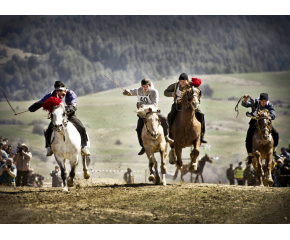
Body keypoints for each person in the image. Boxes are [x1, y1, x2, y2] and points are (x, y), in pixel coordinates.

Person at [28, 81, 90, 156]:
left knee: (81, 127)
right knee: (48, 130)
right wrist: (32, 108)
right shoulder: (51, 94)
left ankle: (84, 146)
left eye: (60, 90)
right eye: (57, 90)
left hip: (69, 115)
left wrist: (65, 112)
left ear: (64, 89)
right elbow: (41, 102)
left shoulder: (70, 94)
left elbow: (73, 106)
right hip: (57, 117)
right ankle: (49, 147)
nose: (59, 92)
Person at [123, 78, 174, 155]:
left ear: (149, 85)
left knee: (163, 119)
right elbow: (129, 92)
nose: (145, 88)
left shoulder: (154, 92)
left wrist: (142, 105)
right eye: (143, 86)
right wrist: (126, 92)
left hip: (153, 113)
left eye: (146, 86)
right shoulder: (138, 90)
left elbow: (154, 104)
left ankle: (166, 136)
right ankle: (143, 146)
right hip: (143, 114)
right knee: (138, 129)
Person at [164, 73, 207, 143]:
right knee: (171, 115)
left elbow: (199, 92)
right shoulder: (175, 85)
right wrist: (171, 94)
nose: (182, 83)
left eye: (183, 81)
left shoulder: (191, 85)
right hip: (177, 104)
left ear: (187, 81)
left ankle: (201, 135)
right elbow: (165, 92)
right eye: (180, 81)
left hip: (190, 105)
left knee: (201, 114)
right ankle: (171, 135)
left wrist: (196, 99)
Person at [242, 93, 279, 164]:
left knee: (276, 133)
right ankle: (250, 154)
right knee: (248, 137)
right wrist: (245, 100)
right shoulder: (255, 102)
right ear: (259, 100)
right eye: (262, 100)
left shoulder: (269, 105)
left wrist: (267, 116)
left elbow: (273, 115)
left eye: (265, 101)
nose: (263, 102)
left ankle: (274, 150)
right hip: (255, 122)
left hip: (265, 122)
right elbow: (245, 105)